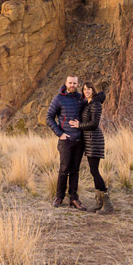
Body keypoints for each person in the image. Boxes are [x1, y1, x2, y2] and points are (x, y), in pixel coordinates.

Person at [69, 82, 113, 214]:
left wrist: (78, 126)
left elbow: (94, 124)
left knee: (95, 171)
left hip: (95, 140)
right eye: (84, 89)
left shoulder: (96, 104)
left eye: (88, 89)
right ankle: (99, 203)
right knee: (93, 171)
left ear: (93, 90)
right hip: (89, 140)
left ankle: (107, 204)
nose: (86, 91)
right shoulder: (88, 103)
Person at [46, 74, 87, 210]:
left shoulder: (82, 99)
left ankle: (74, 199)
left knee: (75, 171)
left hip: (79, 140)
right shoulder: (58, 99)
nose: (72, 86)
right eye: (70, 83)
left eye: (75, 83)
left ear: (77, 84)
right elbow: (49, 117)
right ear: (66, 83)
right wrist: (60, 133)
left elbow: (89, 113)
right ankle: (59, 197)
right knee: (64, 170)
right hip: (65, 141)